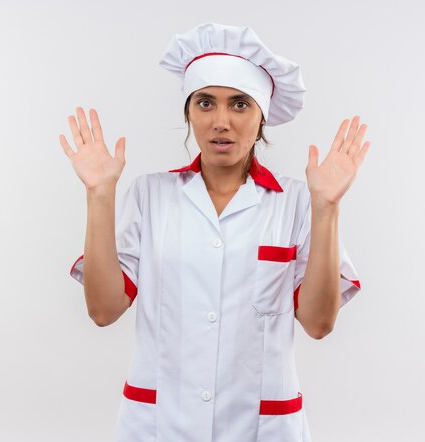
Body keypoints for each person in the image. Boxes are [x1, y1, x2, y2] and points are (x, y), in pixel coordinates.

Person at [59, 22, 370, 442]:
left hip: (262, 427)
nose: (221, 121)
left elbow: (317, 323)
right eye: (205, 103)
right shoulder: (150, 196)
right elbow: (103, 310)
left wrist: (327, 207)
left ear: (263, 117)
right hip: (159, 425)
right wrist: (99, 194)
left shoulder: (297, 202)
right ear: (189, 112)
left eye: (239, 105)